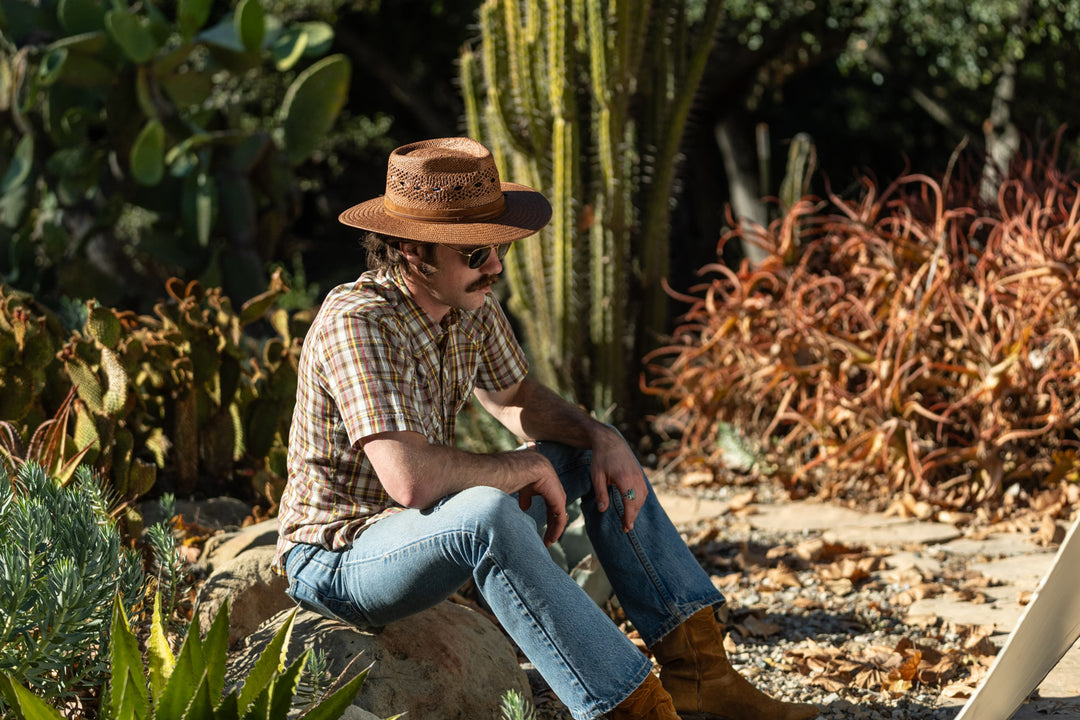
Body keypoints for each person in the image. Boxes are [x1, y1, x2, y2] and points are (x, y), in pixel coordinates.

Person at [273, 136, 820, 720]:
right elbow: (408, 480)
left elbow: (514, 395)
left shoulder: (465, 302)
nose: (496, 266)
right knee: (485, 514)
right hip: (342, 558)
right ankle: (630, 710)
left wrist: (599, 436)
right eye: (476, 253)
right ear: (412, 250)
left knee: (593, 453)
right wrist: (519, 467)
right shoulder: (358, 322)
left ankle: (700, 673)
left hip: (420, 533)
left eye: (497, 248)